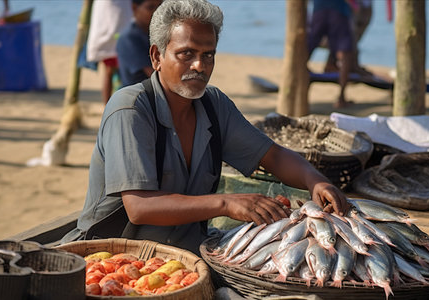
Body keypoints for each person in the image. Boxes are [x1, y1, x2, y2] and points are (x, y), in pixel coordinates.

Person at [62, 0, 350, 255]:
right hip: (115, 256)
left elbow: (272, 156)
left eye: (208, 54)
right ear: (156, 57)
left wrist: (315, 180)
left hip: (188, 252)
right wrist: (225, 204)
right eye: (186, 54)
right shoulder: (131, 108)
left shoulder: (213, 104)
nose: (200, 65)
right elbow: (139, 208)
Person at [308, 0, 354, 108]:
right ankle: (341, 98)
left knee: (307, 48)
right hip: (339, 8)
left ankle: (298, 88)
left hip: (319, 8)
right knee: (344, 54)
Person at [86, 0, 132, 104]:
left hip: (116, 30)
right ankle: (108, 106)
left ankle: (109, 105)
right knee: (111, 71)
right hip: (112, 32)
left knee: (110, 72)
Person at [116, 0, 162, 87]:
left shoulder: (153, 34)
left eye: (160, 7)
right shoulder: (129, 38)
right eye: (150, 7)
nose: (157, 12)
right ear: (135, 8)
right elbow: (155, 75)